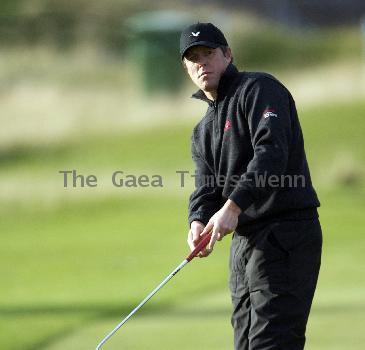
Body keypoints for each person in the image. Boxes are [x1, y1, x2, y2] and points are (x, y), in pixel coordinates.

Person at [180, 22, 322, 350]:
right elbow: (205, 187)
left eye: (209, 53)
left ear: (228, 55)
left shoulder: (258, 89)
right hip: (244, 244)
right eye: (193, 58)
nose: (202, 63)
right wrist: (197, 220)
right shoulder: (203, 131)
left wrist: (232, 206)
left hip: (286, 231)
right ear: (186, 67)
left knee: (271, 344)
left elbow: (271, 153)